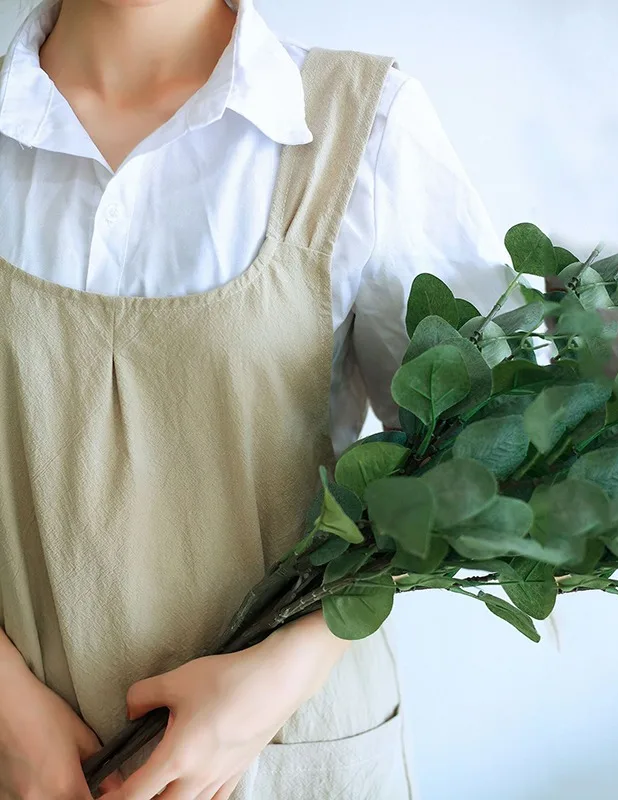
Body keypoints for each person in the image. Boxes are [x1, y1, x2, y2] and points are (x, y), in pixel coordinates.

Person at [0, 0, 517, 797]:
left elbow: (488, 458)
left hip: (292, 752)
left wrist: (279, 677)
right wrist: (12, 720)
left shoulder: (363, 126)